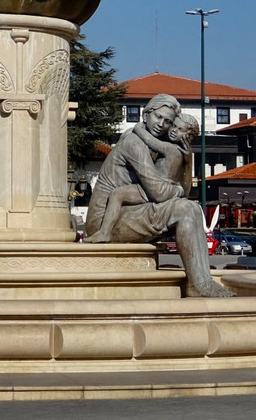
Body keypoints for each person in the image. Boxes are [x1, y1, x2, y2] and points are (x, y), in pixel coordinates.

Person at [84, 94, 229, 298]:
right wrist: (176, 190)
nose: (162, 124)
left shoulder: (160, 147)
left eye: (168, 121)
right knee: (185, 209)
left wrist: (188, 161)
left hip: (130, 209)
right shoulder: (134, 142)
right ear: (146, 114)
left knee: (191, 207)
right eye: (158, 117)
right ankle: (198, 284)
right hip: (106, 220)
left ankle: (202, 281)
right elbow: (160, 193)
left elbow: (183, 194)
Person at [84, 112, 198, 244]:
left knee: (117, 194)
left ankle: (104, 233)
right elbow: (185, 189)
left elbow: (149, 140)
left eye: (180, 130)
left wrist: (138, 127)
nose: (173, 131)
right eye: (174, 126)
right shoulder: (179, 152)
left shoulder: (170, 149)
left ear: (188, 137)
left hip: (159, 189)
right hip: (161, 188)